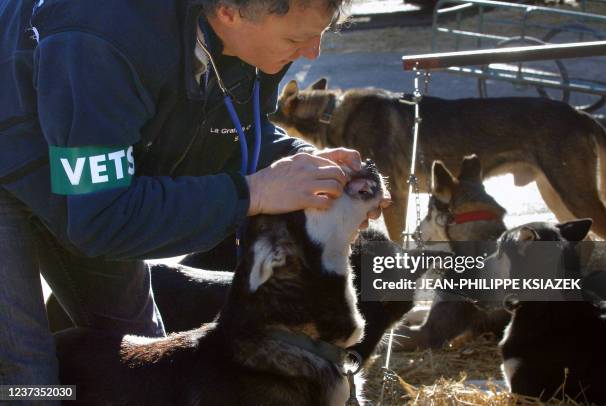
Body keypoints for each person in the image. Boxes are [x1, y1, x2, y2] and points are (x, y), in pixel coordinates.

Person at [0, 0, 388, 395]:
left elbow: (231, 134)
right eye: (298, 37)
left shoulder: (253, 44)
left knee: (145, 356)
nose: (312, 53)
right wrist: (252, 192)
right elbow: (103, 216)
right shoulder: (100, 37)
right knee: (25, 375)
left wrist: (302, 165)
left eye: (320, 34)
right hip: (13, 161)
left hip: (86, 168)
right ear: (228, 11)